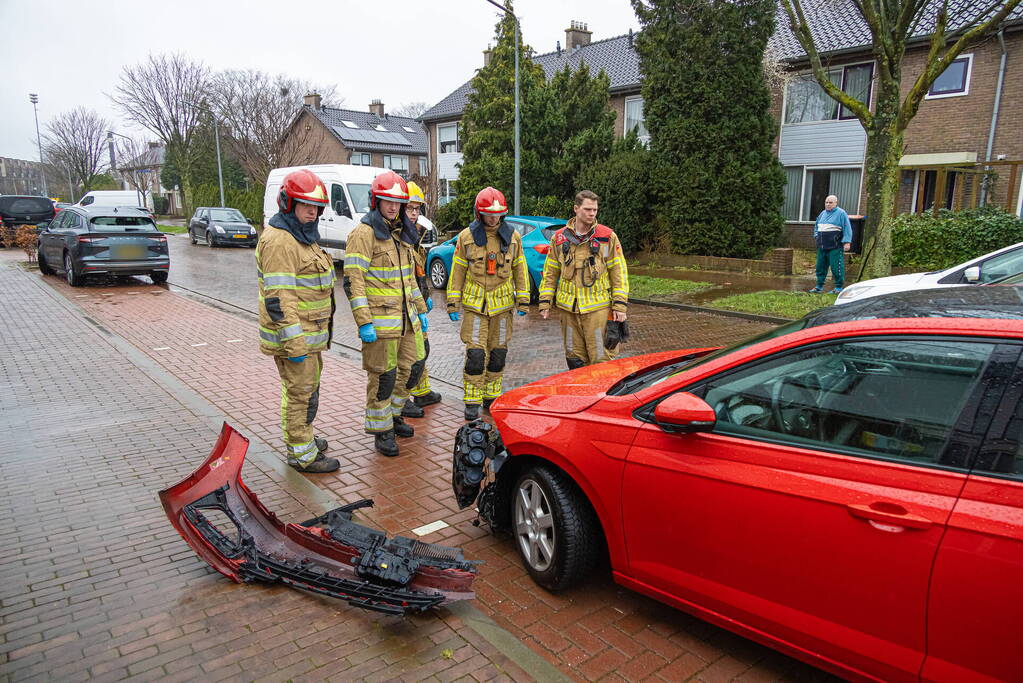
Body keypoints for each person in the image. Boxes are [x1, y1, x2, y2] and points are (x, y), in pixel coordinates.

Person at [257, 168, 340, 473]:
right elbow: (279, 300)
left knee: (309, 391)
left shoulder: (302, 236)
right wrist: (295, 342)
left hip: (310, 336)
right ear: (287, 204)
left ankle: (304, 438)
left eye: (316, 207)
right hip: (296, 338)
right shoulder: (280, 241)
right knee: (300, 393)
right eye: (306, 206)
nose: (312, 212)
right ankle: (301, 454)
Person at [343, 171, 429, 457]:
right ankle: (381, 431)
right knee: (383, 378)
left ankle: (393, 416)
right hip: (379, 324)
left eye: (398, 203)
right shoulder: (364, 234)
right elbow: (353, 280)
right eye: (387, 201)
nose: (393, 207)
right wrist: (364, 322)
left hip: (406, 320)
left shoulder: (402, 234)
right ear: (375, 201)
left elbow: (409, 280)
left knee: (413, 367)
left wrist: (421, 309)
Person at [446, 187, 529, 420]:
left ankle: (491, 395)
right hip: (475, 307)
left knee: (498, 353)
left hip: (502, 307)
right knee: (475, 355)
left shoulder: (513, 237)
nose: (493, 219)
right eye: (488, 214)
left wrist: (523, 299)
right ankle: (472, 400)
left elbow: (520, 268)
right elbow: (458, 271)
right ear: (478, 213)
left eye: (497, 215)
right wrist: (453, 301)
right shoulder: (466, 237)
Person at [538, 190, 629, 368]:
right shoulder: (559, 238)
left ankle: (600, 395)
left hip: (598, 310)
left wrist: (620, 305)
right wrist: (545, 301)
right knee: (574, 360)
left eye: (595, 210)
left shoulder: (606, 237)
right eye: (588, 209)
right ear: (576, 209)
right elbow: (551, 271)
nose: (592, 213)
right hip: (568, 312)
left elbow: (619, 272)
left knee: (601, 360)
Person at [401, 181, 443, 418]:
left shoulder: (416, 237)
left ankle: (422, 391)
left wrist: (425, 296)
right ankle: (403, 396)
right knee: (410, 355)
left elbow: (419, 274)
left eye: (417, 209)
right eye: (409, 208)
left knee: (422, 350)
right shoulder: (400, 239)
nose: (414, 213)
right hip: (405, 306)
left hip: (418, 304)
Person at [810, 195, 852, 294]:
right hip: (822, 246)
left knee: (836, 267)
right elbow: (817, 226)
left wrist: (847, 242)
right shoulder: (822, 213)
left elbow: (847, 228)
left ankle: (838, 287)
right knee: (820, 267)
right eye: (826, 202)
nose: (828, 204)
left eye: (830, 202)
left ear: (836, 203)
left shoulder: (841, 213)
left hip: (835, 246)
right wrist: (816, 235)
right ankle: (819, 286)